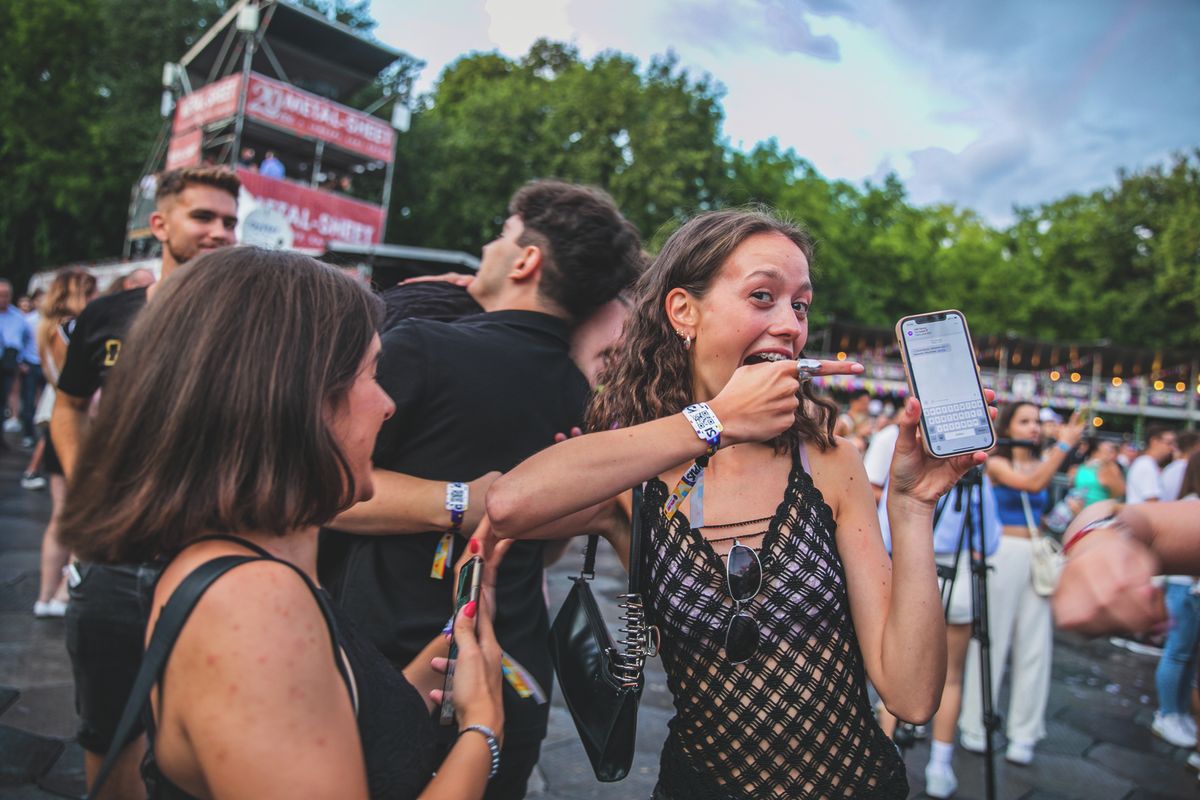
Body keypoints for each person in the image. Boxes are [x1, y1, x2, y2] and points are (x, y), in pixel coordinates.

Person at [486, 207, 992, 798]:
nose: (790, 325)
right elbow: (509, 504)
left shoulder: (829, 460)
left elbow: (910, 696)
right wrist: (713, 422)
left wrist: (911, 507)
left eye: (800, 305)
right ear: (684, 311)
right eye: (762, 296)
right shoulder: (639, 474)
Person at [58, 248, 504, 799]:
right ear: (297, 399)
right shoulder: (255, 604)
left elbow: (347, 719)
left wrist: (456, 640)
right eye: (371, 372)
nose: (387, 404)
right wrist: (483, 731)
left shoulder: (246, 566)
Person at [319, 179, 644, 799]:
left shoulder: (419, 348)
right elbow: (543, 549)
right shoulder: (584, 402)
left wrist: (466, 501)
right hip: (511, 675)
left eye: (502, 234)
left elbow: (318, 488)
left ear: (526, 260)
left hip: (386, 664)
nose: (488, 249)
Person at [51, 166, 239, 798]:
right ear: (160, 225)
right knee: (107, 732)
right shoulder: (109, 314)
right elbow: (68, 406)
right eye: (204, 217)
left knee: (204, 740)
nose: (220, 231)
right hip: (113, 555)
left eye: (230, 221)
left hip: (210, 558)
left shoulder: (249, 322)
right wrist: (84, 488)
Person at [957, 401, 1083, 766]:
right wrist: (1064, 445)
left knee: (1035, 645)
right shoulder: (996, 462)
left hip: (1034, 552)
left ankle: (1024, 733)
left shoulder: (1039, 459)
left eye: (1035, 422)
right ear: (1008, 426)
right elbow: (1032, 484)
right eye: (1024, 421)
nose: (1032, 428)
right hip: (1003, 552)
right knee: (990, 641)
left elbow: (1041, 498)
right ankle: (976, 725)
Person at [31, 268, 97, 617]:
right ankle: (63, 593)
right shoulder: (76, 330)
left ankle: (45, 595)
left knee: (60, 514)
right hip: (77, 423)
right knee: (85, 511)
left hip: (54, 419)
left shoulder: (46, 330)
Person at [0, 278, 34, 450]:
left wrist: (22, 359)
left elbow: (28, 340)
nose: (3, 299)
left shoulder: (18, 317)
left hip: (9, 361)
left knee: (5, 398)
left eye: (6, 296)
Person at [1125, 425, 1178, 504]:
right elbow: (1152, 503)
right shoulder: (1147, 465)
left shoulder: (1145, 463)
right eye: (1169, 443)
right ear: (1154, 441)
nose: (1173, 448)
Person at [1071, 438, 1125, 507]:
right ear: (1096, 451)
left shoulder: (1109, 468)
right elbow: (1120, 491)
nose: (1110, 455)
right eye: (1108, 451)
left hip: (1094, 510)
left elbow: (1120, 490)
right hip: (1086, 510)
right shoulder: (1082, 467)